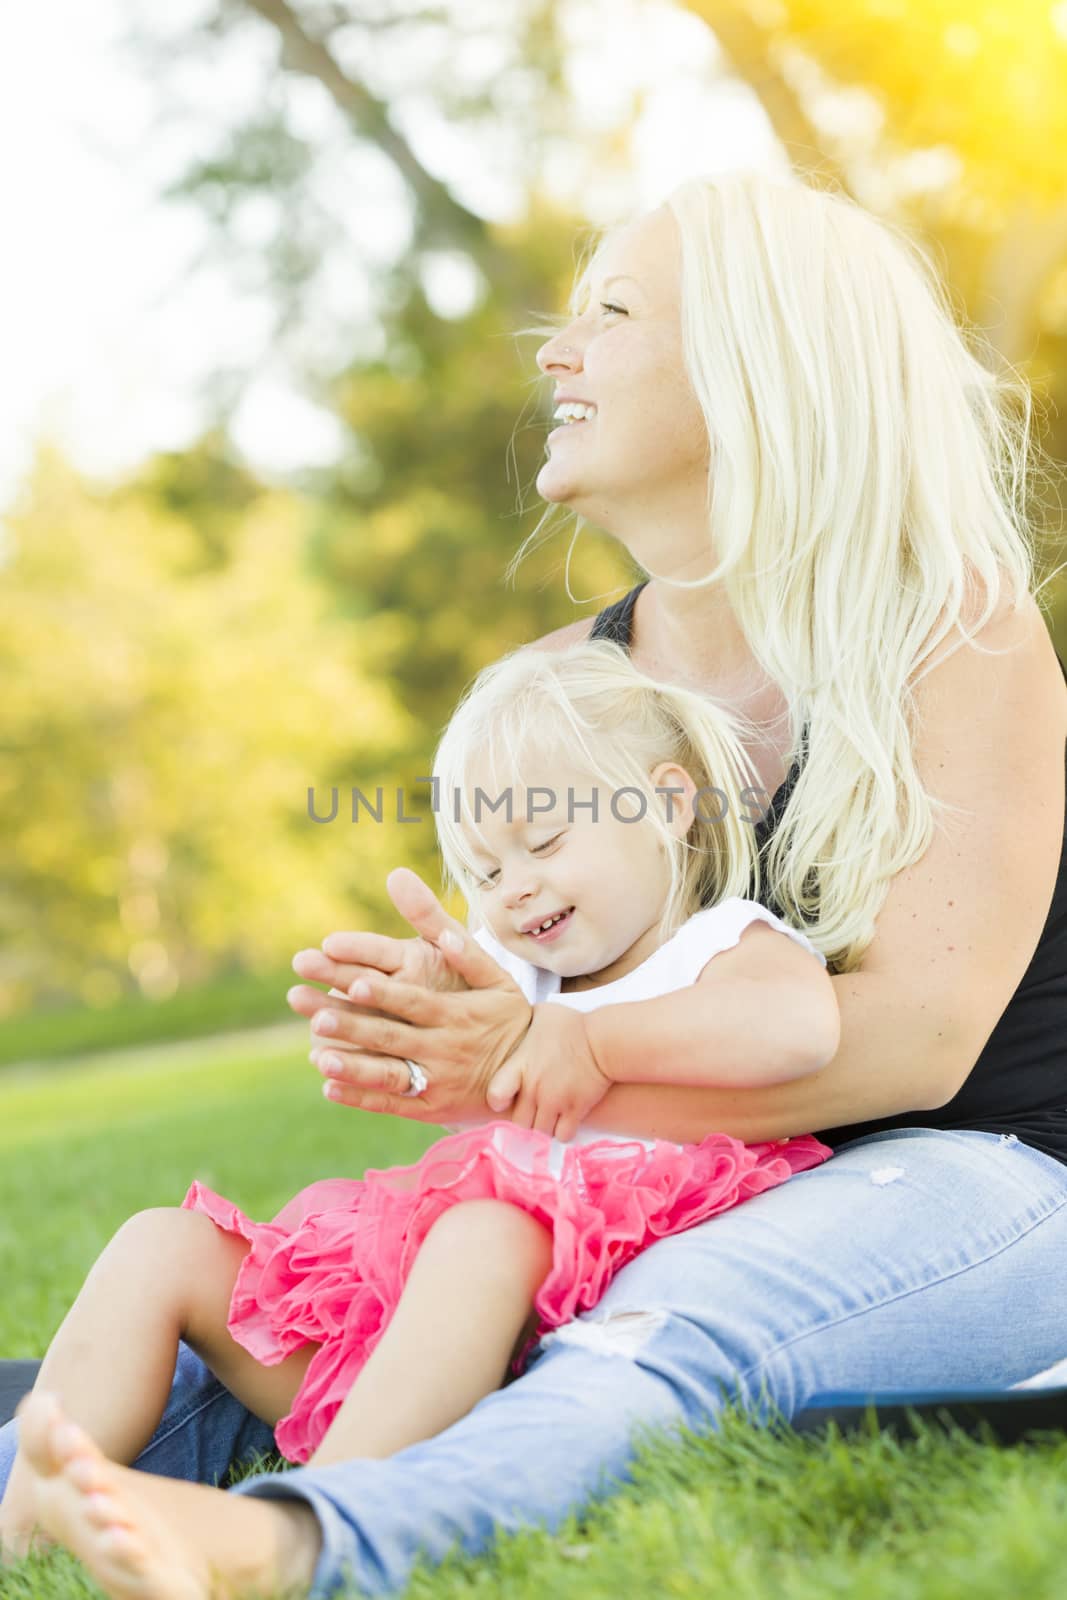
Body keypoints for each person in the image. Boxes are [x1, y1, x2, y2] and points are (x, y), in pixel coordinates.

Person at [2, 168, 1067, 1600]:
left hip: (968, 1176)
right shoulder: (573, 687)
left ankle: (304, 1542)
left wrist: (536, 1071)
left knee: (656, 1325)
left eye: (610, 315)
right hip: (666, 1181)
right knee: (299, 1305)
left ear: (758, 361)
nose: (551, 354)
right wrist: (454, 1031)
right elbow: (542, 995)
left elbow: (921, 1046)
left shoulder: (951, 630)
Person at [0, 640, 839, 1565]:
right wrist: (430, 1027)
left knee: (491, 1226)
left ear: (669, 804)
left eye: (546, 840)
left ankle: (303, 1534)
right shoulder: (521, 985)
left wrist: (591, 1043)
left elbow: (802, 1029)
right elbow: (471, 1118)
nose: (513, 887)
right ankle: (19, 1540)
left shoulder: (717, 946)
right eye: (483, 872)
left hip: (556, 1355)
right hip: (408, 1351)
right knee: (161, 1243)